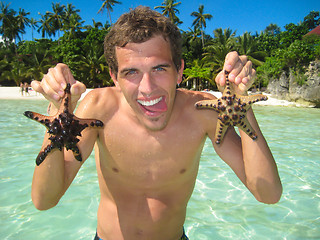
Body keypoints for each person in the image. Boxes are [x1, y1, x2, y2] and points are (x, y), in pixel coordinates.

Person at [30, 6, 282, 240]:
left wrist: (241, 102)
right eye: (131, 72)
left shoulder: (201, 112)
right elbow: (44, 199)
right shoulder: (99, 110)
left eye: (159, 69)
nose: (147, 88)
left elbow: (267, 193)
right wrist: (56, 111)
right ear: (113, 77)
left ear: (179, 70)